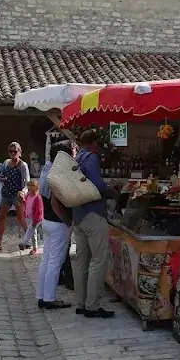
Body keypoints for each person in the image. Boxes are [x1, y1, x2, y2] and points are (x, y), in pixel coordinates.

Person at [72, 130, 118, 318]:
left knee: (81, 260)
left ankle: (81, 303)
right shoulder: (91, 158)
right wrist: (111, 192)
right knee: (98, 260)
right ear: (95, 143)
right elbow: (97, 184)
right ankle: (93, 305)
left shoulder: (76, 159)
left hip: (78, 214)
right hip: (93, 214)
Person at [36, 140, 74, 309]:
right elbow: (55, 203)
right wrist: (67, 221)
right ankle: (50, 298)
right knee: (55, 262)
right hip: (57, 222)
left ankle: (41, 296)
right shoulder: (57, 175)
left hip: (47, 221)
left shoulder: (46, 171)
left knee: (46, 260)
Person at [0, 141, 29, 252]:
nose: (13, 153)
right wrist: (2, 179)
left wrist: (23, 192)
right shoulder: (6, 163)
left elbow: (27, 182)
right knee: (1, 217)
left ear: (20, 152)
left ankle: (28, 239)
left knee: (21, 218)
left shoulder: (23, 165)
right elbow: (3, 174)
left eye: (15, 151)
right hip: (6, 194)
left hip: (17, 195)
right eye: (11, 151)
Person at [19, 179, 43, 254]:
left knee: (29, 230)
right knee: (32, 233)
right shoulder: (28, 196)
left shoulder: (37, 198)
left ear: (35, 188)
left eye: (30, 188)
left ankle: (23, 243)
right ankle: (35, 248)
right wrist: (22, 199)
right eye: (28, 188)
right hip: (29, 217)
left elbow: (39, 211)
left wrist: (35, 220)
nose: (28, 190)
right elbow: (26, 204)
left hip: (36, 218)